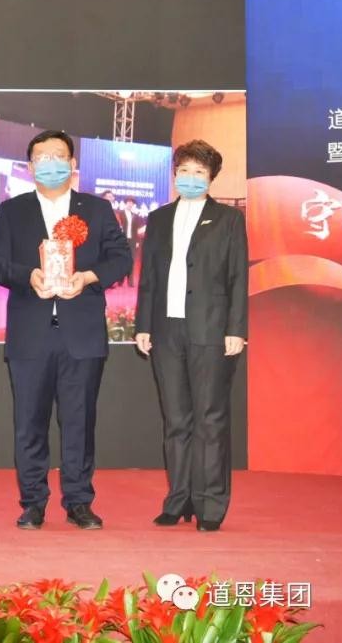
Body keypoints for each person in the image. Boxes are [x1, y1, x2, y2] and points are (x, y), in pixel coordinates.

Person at [0, 130, 131, 531]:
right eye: (42, 158)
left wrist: (88, 277)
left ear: (72, 163)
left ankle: (79, 501)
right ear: (30, 167)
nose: (50, 164)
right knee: (29, 423)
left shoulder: (97, 209)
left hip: (81, 333)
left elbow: (121, 258)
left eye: (58, 156)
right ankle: (33, 502)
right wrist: (26, 275)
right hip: (30, 332)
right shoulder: (13, 211)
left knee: (79, 422)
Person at [135, 139, 247, 532]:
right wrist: (143, 325)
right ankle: (178, 499)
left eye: (200, 172)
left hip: (212, 329)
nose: (191, 177)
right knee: (176, 419)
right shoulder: (159, 218)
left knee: (210, 419)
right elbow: (148, 277)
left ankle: (210, 504)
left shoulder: (229, 219)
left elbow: (238, 276)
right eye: (184, 170)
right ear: (175, 174)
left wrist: (236, 329)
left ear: (212, 177)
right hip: (167, 329)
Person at [121, 197, 141, 286]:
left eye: (132, 203)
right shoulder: (120, 214)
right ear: (125, 203)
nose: (130, 204)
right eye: (128, 202)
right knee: (121, 259)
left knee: (131, 260)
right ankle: (120, 280)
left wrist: (137, 241)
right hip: (122, 240)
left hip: (132, 240)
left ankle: (131, 281)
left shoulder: (135, 215)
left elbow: (136, 230)